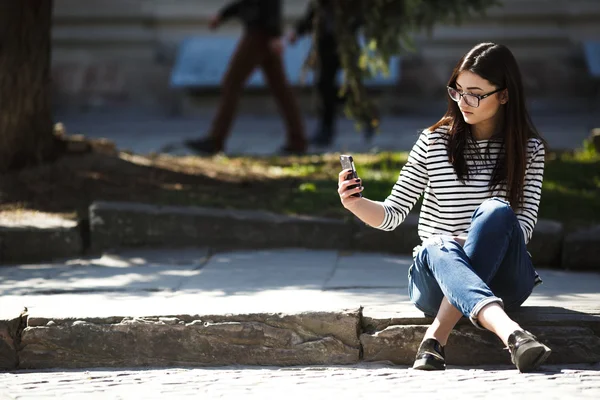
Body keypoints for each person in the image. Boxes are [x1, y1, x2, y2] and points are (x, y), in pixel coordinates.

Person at [337, 42, 550, 373]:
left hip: (505, 279)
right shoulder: (434, 141)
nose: (463, 102)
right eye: (458, 91)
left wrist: (467, 242)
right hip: (436, 280)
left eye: (475, 94)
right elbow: (392, 214)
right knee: (437, 244)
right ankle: (512, 333)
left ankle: (436, 336)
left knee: (495, 211)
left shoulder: (529, 150)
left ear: (504, 95)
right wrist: (354, 203)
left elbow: (520, 231)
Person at [185, 0, 307, 155]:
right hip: (262, 32)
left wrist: (274, 33)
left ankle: (216, 139)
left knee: (232, 83)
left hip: (259, 34)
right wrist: (223, 15)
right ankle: (298, 140)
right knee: (280, 89)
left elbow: (270, 4)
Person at [288, 0, 374, 147]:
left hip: (346, 45)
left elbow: (362, 16)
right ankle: (326, 130)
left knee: (349, 88)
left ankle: (367, 116)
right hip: (326, 44)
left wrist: (348, 28)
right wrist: (298, 32)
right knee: (324, 86)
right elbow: (312, 15)